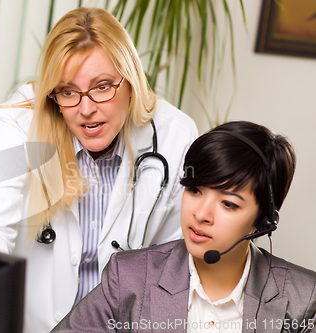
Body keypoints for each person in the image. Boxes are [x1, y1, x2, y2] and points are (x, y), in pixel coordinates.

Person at [0, 7, 197, 333]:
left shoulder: (174, 136)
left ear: (131, 82)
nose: (86, 108)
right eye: (68, 91)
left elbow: (177, 267)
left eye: (103, 86)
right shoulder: (16, 125)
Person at [51, 120, 316, 333]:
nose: (200, 214)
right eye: (194, 190)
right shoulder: (129, 279)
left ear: (264, 220)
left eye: (228, 204)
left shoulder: (305, 300)